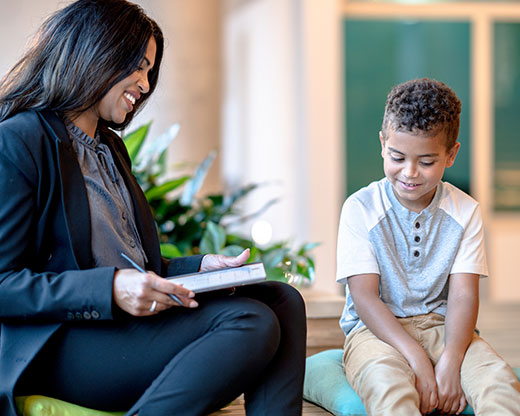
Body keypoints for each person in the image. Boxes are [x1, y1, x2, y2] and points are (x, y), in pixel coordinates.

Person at [0, 1, 306, 415]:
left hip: (121, 329)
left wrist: (199, 269)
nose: (145, 85)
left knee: (283, 300)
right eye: (139, 67)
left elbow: (130, 261)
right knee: (250, 322)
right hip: (63, 342)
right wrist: (109, 289)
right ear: (96, 52)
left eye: (149, 72)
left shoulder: (109, 148)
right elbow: (5, 283)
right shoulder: (20, 140)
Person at [336, 78, 520, 415]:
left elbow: (464, 296)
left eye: (426, 162)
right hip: (376, 334)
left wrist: (452, 361)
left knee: (499, 382)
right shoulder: (360, 208)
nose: (410, 173)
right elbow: (364, 297)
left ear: (451, 154)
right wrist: (417, 361)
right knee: (388, 387)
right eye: (397, 157)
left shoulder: (465, 211)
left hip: (445, 330)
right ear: (383, 144)